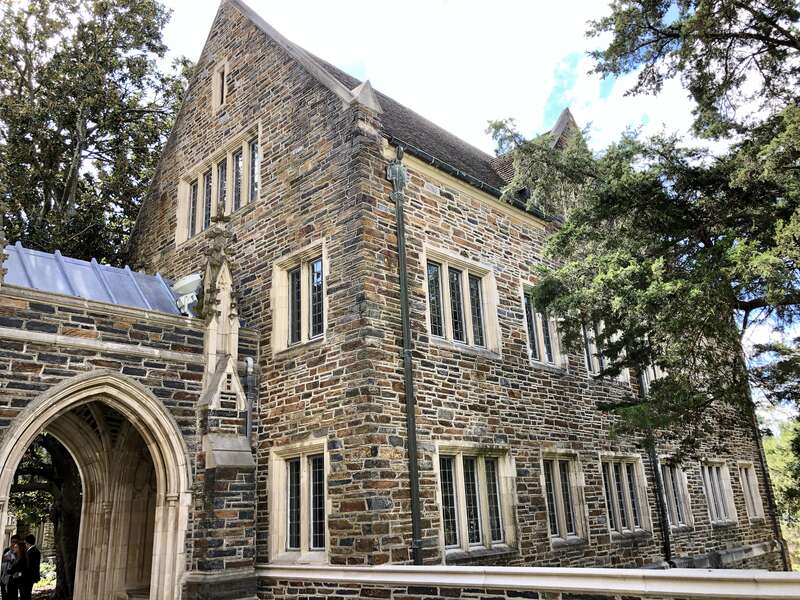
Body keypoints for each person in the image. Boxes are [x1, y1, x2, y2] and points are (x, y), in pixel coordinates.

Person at [0, 536, 20, 600]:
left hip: (13, 578)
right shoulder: (7, 550)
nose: (13, 543)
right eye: (12, 542)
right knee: (4, 595)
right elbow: (2, 559)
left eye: (16, 542)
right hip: (4, 576)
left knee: (12, 596)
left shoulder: (19, 552)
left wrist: (11, 559)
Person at [22, 536, 38, 600]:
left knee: (26, 593)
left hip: (27, 577)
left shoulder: (31, 552)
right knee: (27, 593)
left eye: (25, 543)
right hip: (31, 576)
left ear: (28, 543)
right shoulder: (35, 550)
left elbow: (28, 566)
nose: (25, 545)